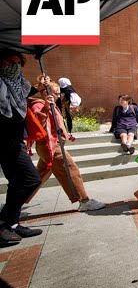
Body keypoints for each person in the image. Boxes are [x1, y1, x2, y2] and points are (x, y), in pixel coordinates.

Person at [25, 79, 106, 211]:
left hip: (51, 146)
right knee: (70, 169)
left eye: (59, 93)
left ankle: (16, 201)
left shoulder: (51, 105)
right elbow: (38, 125)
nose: (59, 96)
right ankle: (84, 200)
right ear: (45, 92)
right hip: (50, 146)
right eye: (56, 93)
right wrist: (45, 107)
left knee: (38, 176)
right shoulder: (39, 105)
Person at [0, 49, 43, 246]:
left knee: (23, 179)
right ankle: (5, 223)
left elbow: (31, 90)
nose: (14, 67)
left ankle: (11, 222)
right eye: (10, 62)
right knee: (26, 178)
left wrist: (42, 86)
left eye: (18, 63)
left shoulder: (17, 83)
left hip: (14, 141)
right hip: (4, 141)